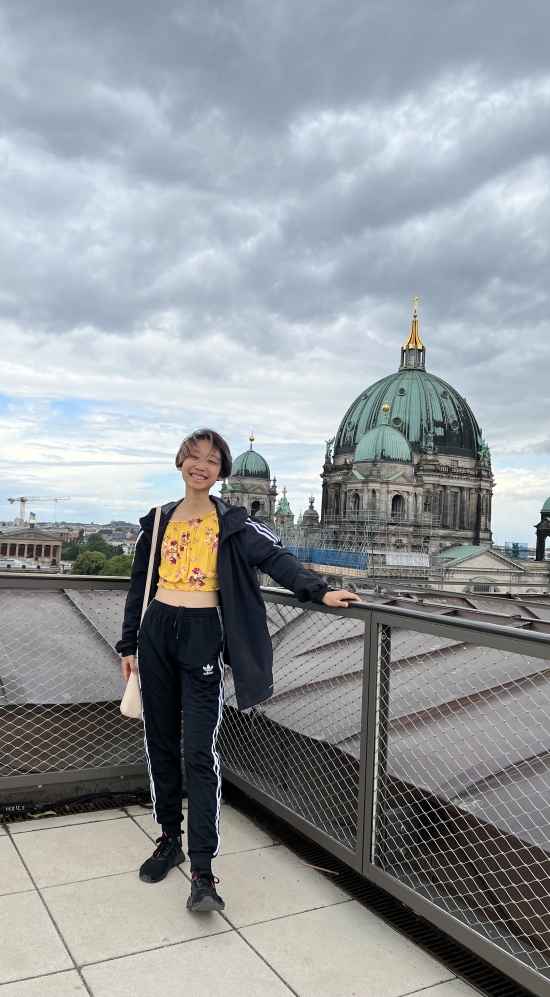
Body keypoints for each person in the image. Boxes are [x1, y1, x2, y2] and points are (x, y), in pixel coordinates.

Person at [116, 428, 360, 912]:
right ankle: (169, 839)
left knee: (199, 751)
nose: (201, 465)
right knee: (160, 743)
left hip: (205, 631)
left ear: (221, 472)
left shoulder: (233, 521)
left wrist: (319, 590)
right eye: (194, 456)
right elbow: (139, 584)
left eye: (211, 459)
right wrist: (129, 644)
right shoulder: (157, 520)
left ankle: (203, 871)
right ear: (181, 462)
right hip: (157, 631)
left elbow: (276, 557)